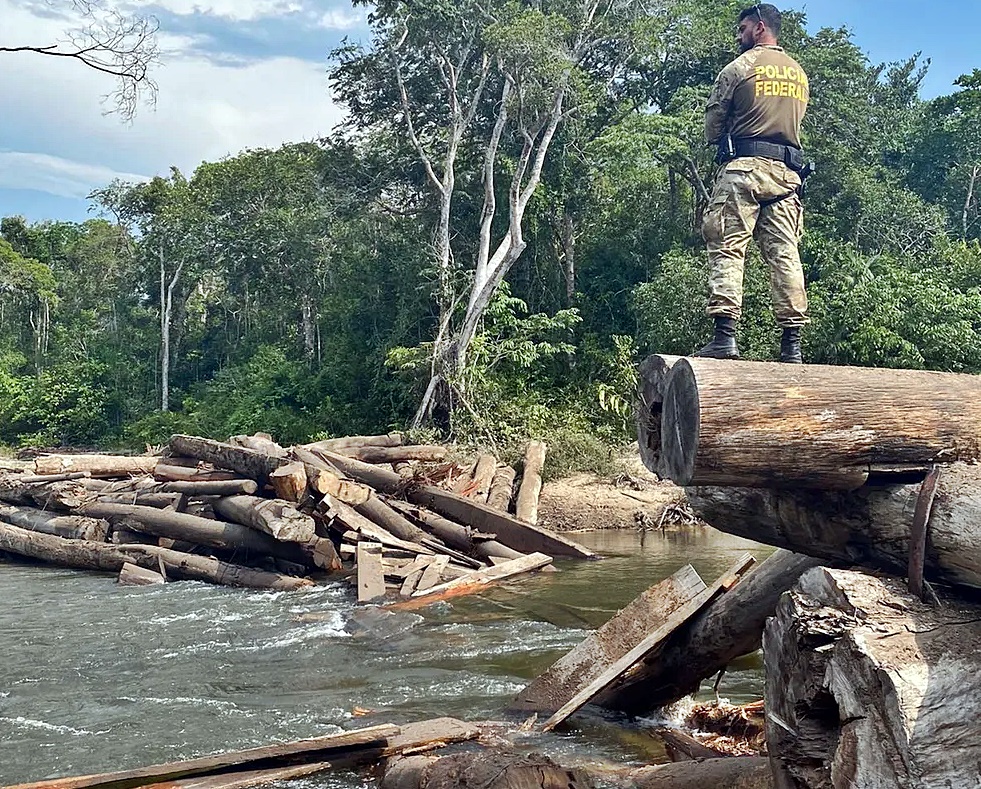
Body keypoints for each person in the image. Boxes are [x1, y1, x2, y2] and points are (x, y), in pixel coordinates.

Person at [695, 3, 810, 363]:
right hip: (787, 175)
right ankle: (792, 347)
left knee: (727, 244)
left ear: (760, 28)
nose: (739, 35)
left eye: (743, 28)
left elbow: (713, 127)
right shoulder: (799, 74)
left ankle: (725, 338)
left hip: (744, 169)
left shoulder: (739, 68)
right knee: (785, 255)